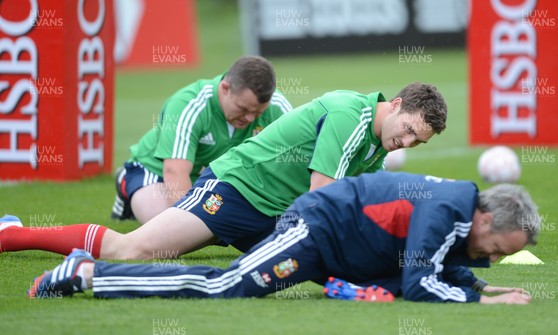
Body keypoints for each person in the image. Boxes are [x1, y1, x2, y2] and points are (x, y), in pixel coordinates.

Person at [0, 83, 447, 260]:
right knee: (130, 252)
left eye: (416, 142)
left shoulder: (376, 141)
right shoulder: (352, 116)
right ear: (396, 106)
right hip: (234, 189)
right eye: (407, 130)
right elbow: (322, 201)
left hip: (274, 212)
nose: (405, 143)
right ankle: (13, 235)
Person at [27, 171, 540, 304]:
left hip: (328, 252)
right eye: (498, 248)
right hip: (313, 231)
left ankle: (90, 272)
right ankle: (89, 273)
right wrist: (478, 305)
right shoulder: (450, 206)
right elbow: (419, 281)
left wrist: (475, 288)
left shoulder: (457, 218)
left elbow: (439, 265)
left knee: (229, 286)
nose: (492, 257)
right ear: (487, 220)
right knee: (224, 286)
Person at [111, 55, 292, 224]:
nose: (250, 119)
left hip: (212, 179)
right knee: (170, 229)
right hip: (156, 171)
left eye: (257, 113)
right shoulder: (189, 104)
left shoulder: (278, 108)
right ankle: (125, 183)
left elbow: (297, 166)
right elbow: (175, 172)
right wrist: (193, 224)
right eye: (243, 109)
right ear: (225, 88)